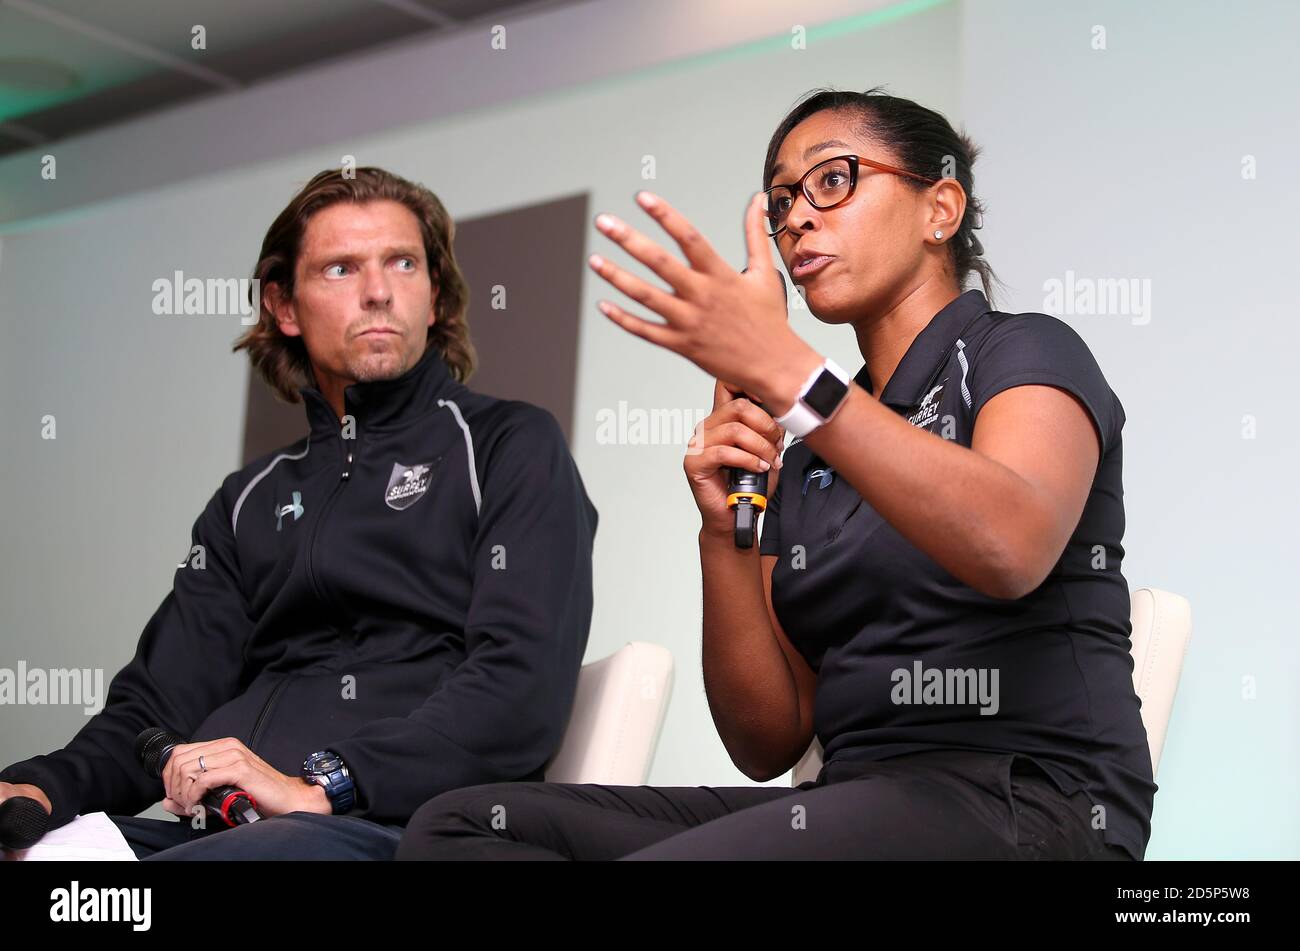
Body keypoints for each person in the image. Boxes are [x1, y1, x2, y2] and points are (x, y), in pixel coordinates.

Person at [395, 87, 1153, 861]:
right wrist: (721, 529)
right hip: (852, 800)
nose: (796, 217)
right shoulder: (815, 449)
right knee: (458, 829)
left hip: (1030, 803)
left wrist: (793, 377)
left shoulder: (1021, 351)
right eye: (781, 199)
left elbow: (1010, 542)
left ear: (941, 208)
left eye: (832, 179)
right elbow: (765, 738)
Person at [0, 167, 598, 860]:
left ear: (434, 296)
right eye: (341, 267)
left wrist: (327, 782)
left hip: (401, 827)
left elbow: (518, 685)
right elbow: (154, 707)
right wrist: (41, 786)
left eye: (403, 263)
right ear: (284, 307)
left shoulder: (510, 445)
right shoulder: (245, 501)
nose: (378, 290)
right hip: (227, 832)